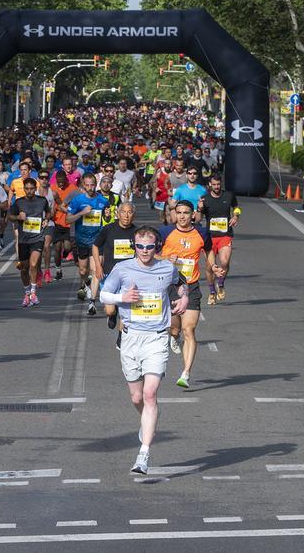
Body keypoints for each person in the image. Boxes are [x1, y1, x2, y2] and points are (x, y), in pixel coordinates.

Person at [99, 226, 190, 475]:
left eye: (150, 247)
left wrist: (183, 298)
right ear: (134, 246)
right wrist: (121, 299)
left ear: (156, 247)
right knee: (137, 398)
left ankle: (143, 454)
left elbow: (182, 284)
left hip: (157, 338)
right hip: (130, 337)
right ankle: (147, 421)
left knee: (150, 394)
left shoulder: (166, 268)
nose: (145, 251)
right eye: (140, 246)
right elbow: (103, 295)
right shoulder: (123, 269)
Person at [159, 201, 212, 389]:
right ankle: (173, 337)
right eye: (178, 212)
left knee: (188, 330)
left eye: (186, 213)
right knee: (174, 329)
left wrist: (213, 266)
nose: (182, 216)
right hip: (170, 288)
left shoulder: (201, 233)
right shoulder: (165, 232)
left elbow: (209, 250)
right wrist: (165, 258)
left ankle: (186, 373)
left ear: (193, 214)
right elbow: (149, 255)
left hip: (191, 287)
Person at [93, 202, 140, 336]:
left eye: (129, 212)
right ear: (117, 214)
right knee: (110, 310)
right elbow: (96, 246)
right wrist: (97, 265)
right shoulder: (108, 229)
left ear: (134, 215)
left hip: (128, 277)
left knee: (125, 310)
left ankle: (121, 336)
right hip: (109, 274)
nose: (126, 215)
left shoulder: (137, 232)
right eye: (123, 212)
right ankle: (112, 315)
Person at [66, 173, 110, 315]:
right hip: (81, 240)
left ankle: (92, 302)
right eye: (88, 185)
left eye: (92, 185)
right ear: (83, 185)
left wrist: (108, 216)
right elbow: (67, 220)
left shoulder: (103, 201)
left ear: (95, 184)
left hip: (97, 241)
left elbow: (106, 217)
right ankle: (85, 284)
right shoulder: (78, 201)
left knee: (96, 269)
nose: (90, 188)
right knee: (83, 271)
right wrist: (81, 213)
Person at [9, 177, 50, 307]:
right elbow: (9, 216)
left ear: (35, 189)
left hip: (37, 237)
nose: (29, 191)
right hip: (23, 239)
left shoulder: (42, 201)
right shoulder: (19, 202)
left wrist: (46, 219)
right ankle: (26, 292)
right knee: (24, 268)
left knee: (33, 265)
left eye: (32, 189)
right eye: (27, 189)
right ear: (24, 189)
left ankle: (33, 292)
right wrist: (18, 217)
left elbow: (49, 212)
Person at [200, 174, 239, 304]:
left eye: (218, 184)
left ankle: (220, 284)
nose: (216, 187)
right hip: (210, 237)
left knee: (225, 262)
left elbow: (236, 207)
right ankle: (212, 292)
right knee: (210, 267)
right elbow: (198, 218)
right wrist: (199, 208)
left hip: (225, 234)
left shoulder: (229, 195)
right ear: (210, 184)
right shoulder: (205, 199)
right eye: (214, 184)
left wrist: (235, 217)